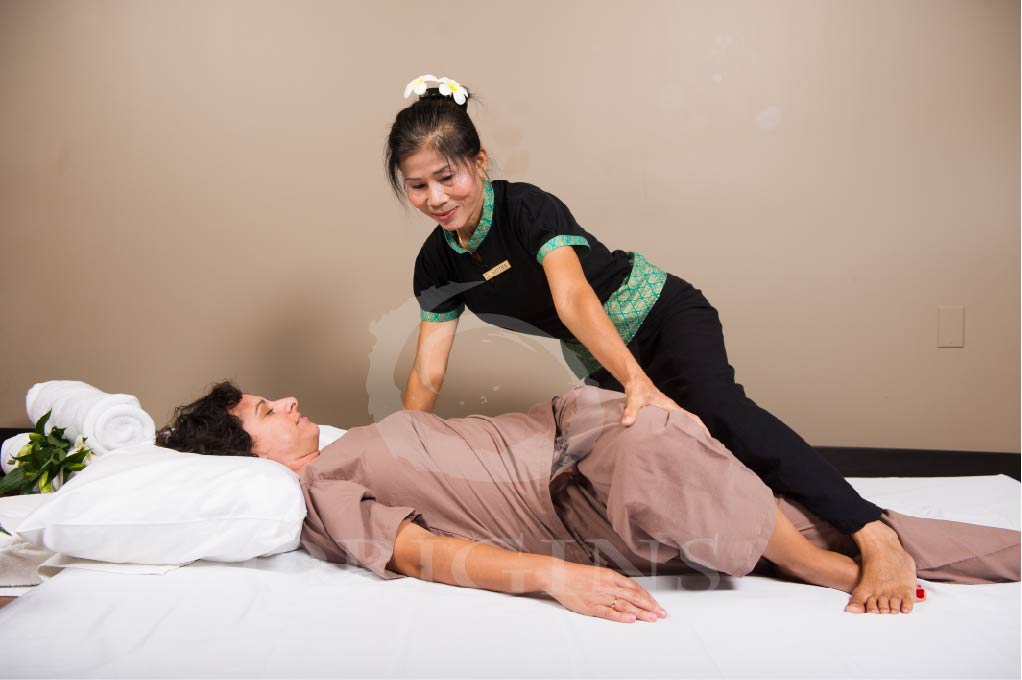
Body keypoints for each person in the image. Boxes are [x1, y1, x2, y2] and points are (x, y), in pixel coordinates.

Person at [387, 76, 920, 613]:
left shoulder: (527, 208)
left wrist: (636, 381)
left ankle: (875, 532)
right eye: (418, 186)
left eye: (447, 177)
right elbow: (428, 372)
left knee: (718, 411)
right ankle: (782, 544)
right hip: (603, 356)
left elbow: (573, 300)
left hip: (659, 313)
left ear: (479, 162)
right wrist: (406, 451)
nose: (436, 198)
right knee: (662, 452)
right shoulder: (435, 263)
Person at [157, 382, 1020, 622]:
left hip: (574, 428)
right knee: (807, 521)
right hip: (575, 496)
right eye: (265, 412)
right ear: (244, 453)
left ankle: (841, 554)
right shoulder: (315, 495)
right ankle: (831, 566)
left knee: (656, 431)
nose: (288, 403)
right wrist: (550, 578)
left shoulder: (345, 442)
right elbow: (419, 552)